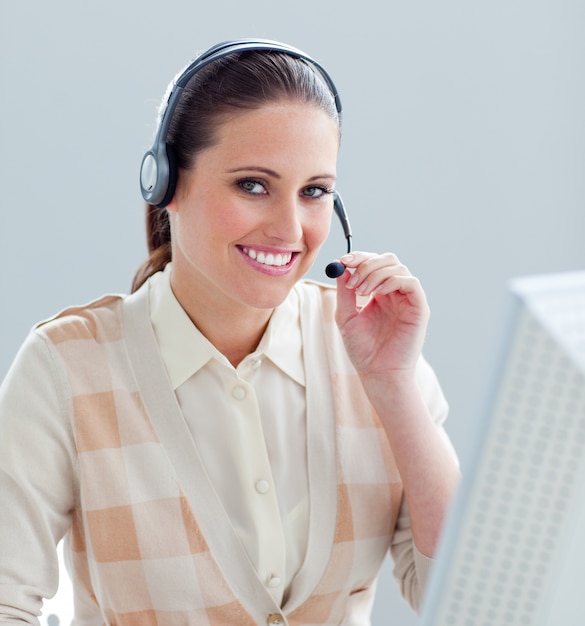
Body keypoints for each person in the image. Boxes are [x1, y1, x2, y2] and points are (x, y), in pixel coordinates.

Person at [0, 39, 460, 625]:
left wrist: (394, 387)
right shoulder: (65, 368)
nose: (290, 228)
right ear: (166, 184)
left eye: (314, 192)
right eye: (253, 185)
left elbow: (466, 595)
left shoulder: (374, 353)